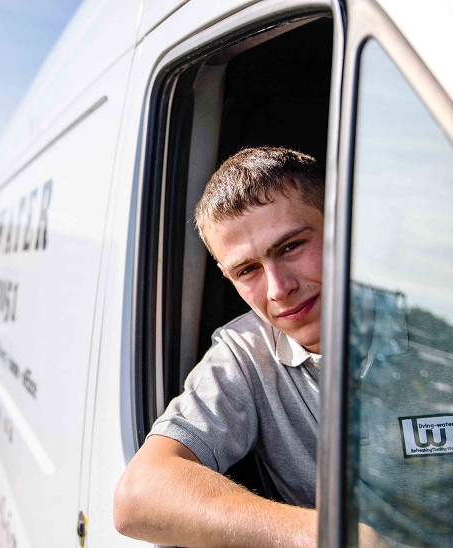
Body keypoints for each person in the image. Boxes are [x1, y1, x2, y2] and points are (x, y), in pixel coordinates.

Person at [113, 147, 386, 547]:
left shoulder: (445, 330)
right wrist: (329, 536)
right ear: (228, 277)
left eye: (291, 246)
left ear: (342, 229)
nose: (279, 289)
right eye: (248, 270)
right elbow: (137, 496)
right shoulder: (245, 351)